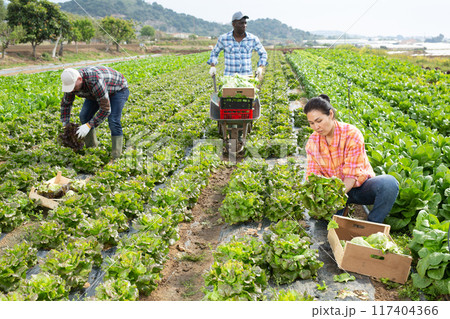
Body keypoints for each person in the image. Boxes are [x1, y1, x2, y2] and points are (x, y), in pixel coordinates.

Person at [304, 94, 399, 223]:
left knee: (389, 184)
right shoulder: (313, 141)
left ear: (330, 114)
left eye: (319, 121)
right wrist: (319, 197)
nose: (316, 127)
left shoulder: (351, 134)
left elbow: (351, 176)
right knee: (330, 226)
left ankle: (373, 224)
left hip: (358, 188)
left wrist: (336, 197)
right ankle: (342, 211)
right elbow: (313, 174)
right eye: (311, 123)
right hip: (333, 194)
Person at [60, 66, 129, 160]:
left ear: (79, 79)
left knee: (113, 120)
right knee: (84, 116)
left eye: (74, 87)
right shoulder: (71, 83)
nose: (72, 90)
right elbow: (66, 104)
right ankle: (91, 149)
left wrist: (89, 125)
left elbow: (105, 109)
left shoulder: (94, 80)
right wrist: (66, 124)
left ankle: (116, 156)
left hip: (117, 90)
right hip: (95, 93)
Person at [207, 11, 268, 78]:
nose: (244, 25)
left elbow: (263, 53)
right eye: (241, 23)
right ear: (234, 24)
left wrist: (261, 66)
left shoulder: (252, 39)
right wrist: (212, 65)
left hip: (247, 77)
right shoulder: (224, 38)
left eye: (245, 23)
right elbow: (214, 52)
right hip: (229, 78)